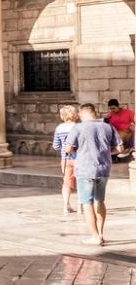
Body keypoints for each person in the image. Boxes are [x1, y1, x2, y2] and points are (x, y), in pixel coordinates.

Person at [65, 103, 123, 245]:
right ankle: (101, 234)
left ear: (81, 114)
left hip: (85, 168)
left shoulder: (78, 127)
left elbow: (68, 148)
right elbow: (120, 148)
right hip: (104, 168)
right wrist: (107, 153)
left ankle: (94, 236)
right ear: (94, 113)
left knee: (87, 203)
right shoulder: (108, 127)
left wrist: (78, 152)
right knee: (100, 201)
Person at [52, 104, 80, 215]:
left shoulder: (59, 128)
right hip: (79, 158)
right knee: (81, 183)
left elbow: (56, 146)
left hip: (65, 159)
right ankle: (80, 207)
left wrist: (63, 147)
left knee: (67, 183)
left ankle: (65, 206)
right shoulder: (79, 127)